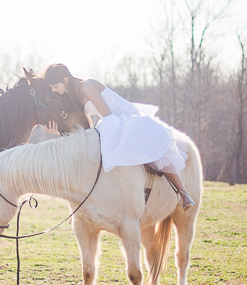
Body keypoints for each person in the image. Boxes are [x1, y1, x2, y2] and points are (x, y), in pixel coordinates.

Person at [39, 63, 195, 210]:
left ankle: (182, 192)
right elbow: (86, 125)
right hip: (109, 121)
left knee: (154, 154)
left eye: (55, 86)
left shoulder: (87, 86)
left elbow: (107, 114)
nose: (54, 90)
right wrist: (58, 132)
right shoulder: (73, 95)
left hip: (124, 117)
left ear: (65, 80)